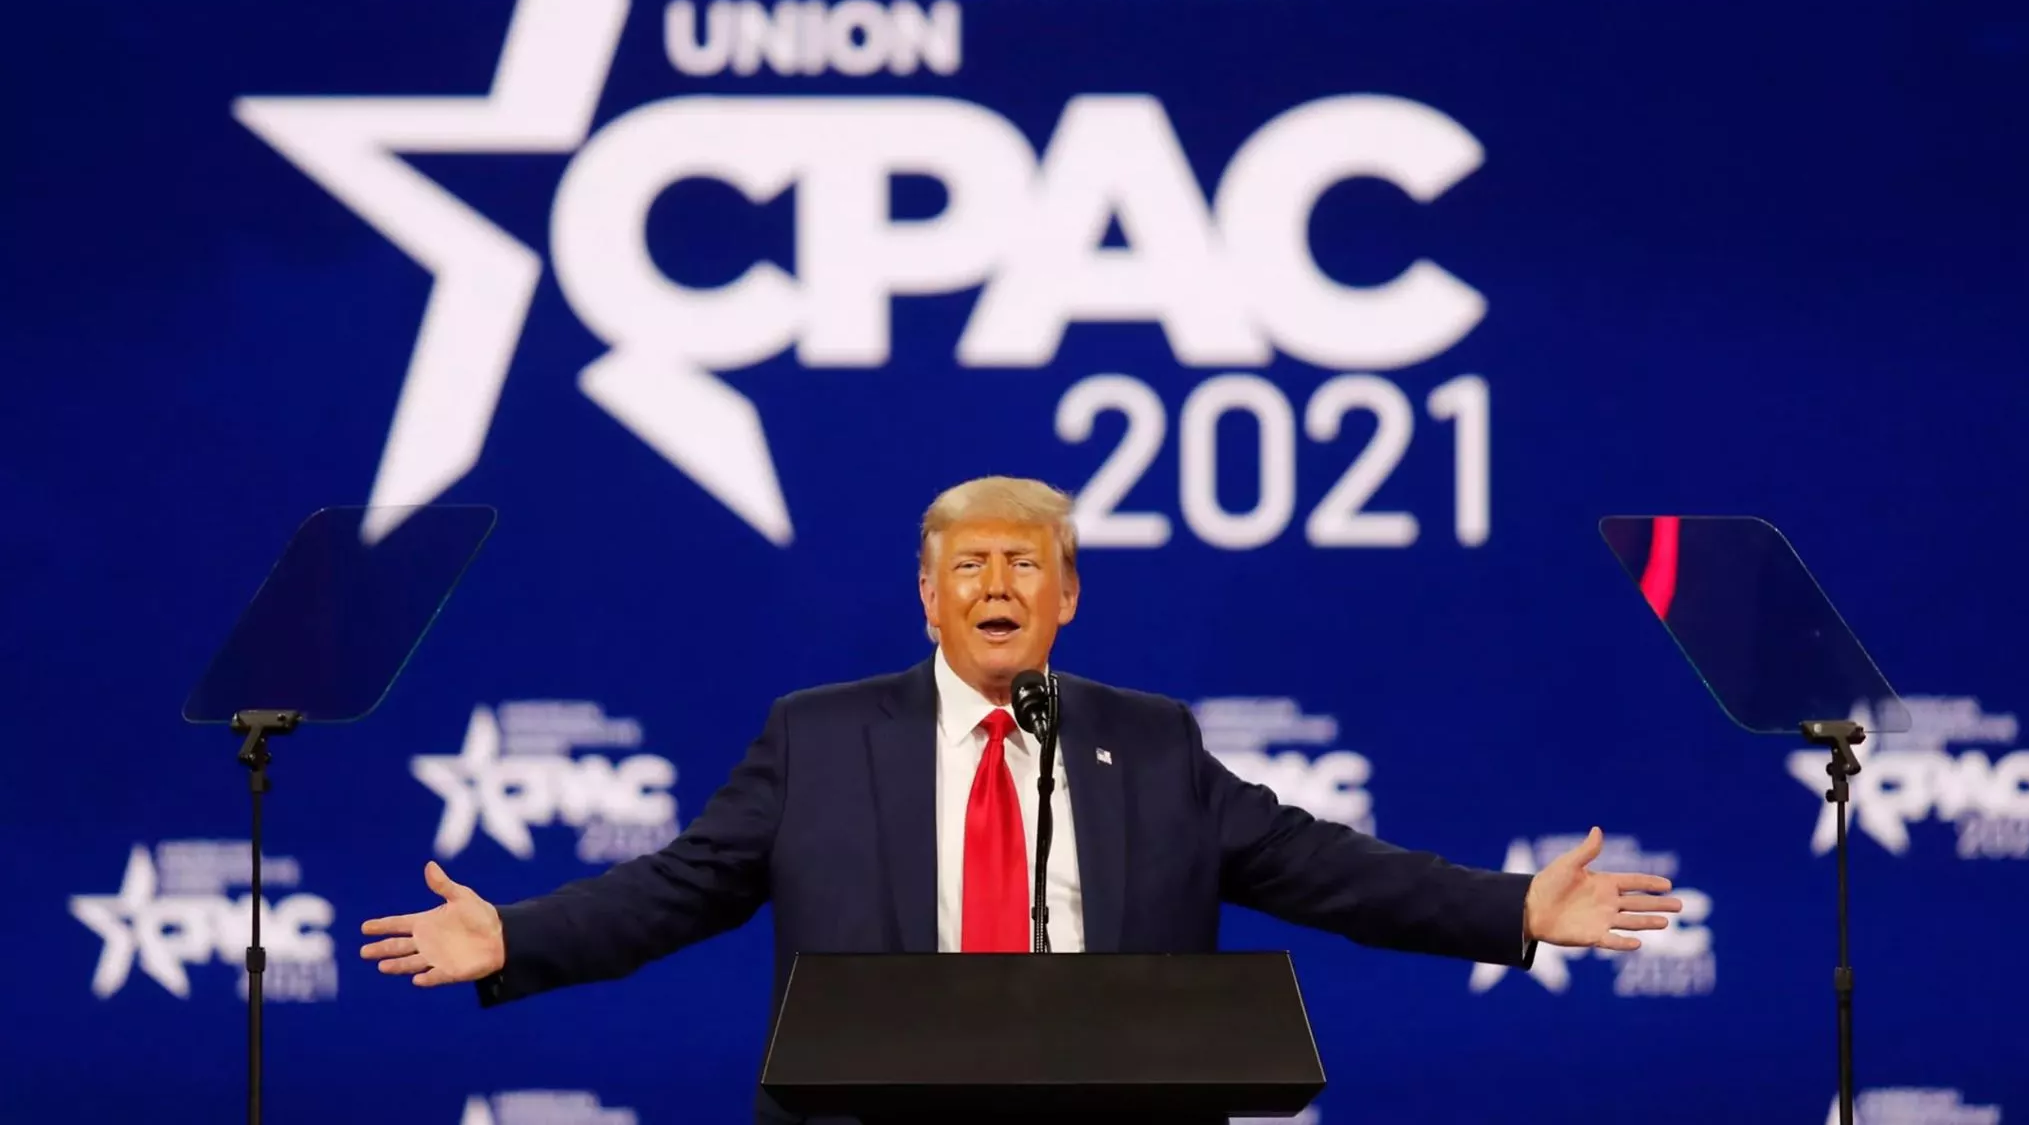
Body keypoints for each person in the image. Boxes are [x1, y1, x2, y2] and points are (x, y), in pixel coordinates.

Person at [362, 476, 1681, 1122]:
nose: (998, 583)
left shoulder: (1148, 742)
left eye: (1026, 564)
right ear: (928, 598)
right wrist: (515, 935)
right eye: (970, 564)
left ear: (1068, 597)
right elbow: (678, 887)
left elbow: (1320, 866)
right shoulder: (819, 737)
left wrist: (1512, 908)